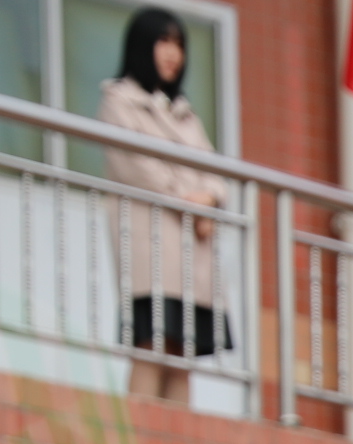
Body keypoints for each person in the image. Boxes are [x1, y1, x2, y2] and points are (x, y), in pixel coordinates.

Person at [98, 8, 229, 407]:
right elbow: (139, 168)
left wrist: (209, 199)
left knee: (182, 353)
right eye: (164, 42)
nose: (173, 54)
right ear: (143, 46)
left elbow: (215, 173)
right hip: (151, 242)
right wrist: (194, 202)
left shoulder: (186, 114)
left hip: (192, 251)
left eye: (179, 45)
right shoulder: (119, 102)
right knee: (152, 342)